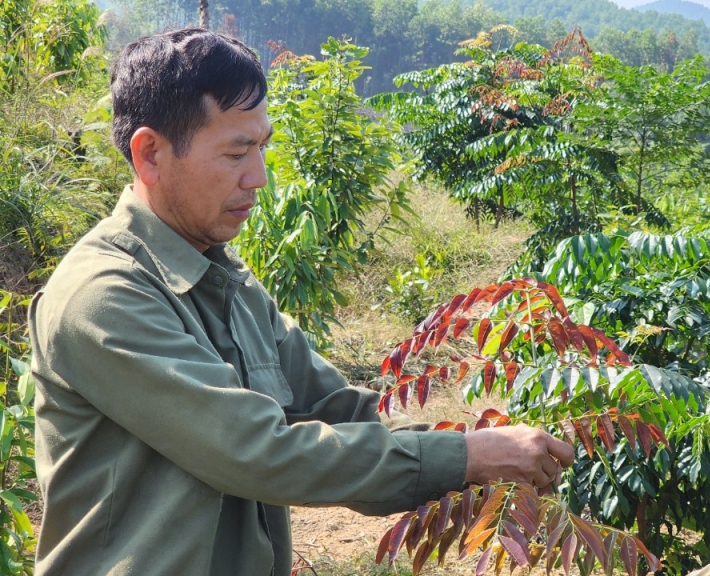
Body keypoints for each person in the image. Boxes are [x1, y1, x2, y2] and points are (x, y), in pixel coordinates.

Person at [28, 27, 573, 576]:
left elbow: (338, 410)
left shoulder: (228, 282)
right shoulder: (102, 294)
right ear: (150, 153)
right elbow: (257, 451)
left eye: (261, 147)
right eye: (236, 152)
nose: (259, 177)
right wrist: (469, 457)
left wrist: (479, 445)